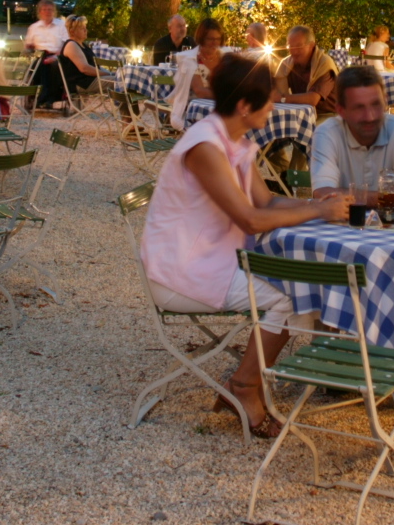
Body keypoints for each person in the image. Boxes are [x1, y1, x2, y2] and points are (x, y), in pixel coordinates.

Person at [140, 54, 350, 436]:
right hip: (181, 270)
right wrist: (318, 212)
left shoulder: (233, 140)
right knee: (291, 291)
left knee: (298, 285)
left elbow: (267, 201)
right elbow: (250, 219)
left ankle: (247, 380)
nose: (274, 106)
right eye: (269, 99)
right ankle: (245, 386)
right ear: (243, 105)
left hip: (215, 260)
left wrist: (322, 205)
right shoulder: (205, 145)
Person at [310, 66, 394, 211]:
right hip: (343, 228)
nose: (369, 117)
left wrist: (348, 197)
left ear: (385, 102)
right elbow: (323, 194)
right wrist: (393, 198)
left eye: (376, 105)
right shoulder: (327, 133)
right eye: (359, 107)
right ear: (341, 111)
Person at [275, 25, 340, 118]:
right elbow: (276, 88)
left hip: (327, 116)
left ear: (311, 46)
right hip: (300, 114)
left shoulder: (324, 64)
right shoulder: (287, 64)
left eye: (298, 46)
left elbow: (313, 99)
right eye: (290, 46)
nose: (294, 51)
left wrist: (281, 98)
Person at [172, 18, 225, 129]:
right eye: (210, 39)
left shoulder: (224, 57)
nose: (214, 43)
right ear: (202, 38)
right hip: (194, 111)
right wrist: (227, 97)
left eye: (218, 39)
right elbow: (200, 91)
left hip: (219, 105)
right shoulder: (191, 59)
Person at [45, 14, 103, 108]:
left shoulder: (83, 45)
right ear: (72, 31)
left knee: (122, 81)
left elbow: (95, 66)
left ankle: (128, 116)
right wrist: (108, 74)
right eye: (82, 28)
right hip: (83, 83)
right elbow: (84, 68)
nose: (85, 30)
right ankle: (127, 118)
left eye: (85, 27)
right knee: (122, 83)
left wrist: (111, 73)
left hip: (91, 80)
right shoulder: (71, 45)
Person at [24, 0, 70, 106]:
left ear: (54, 11)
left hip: (57, 55)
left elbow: (67, 44)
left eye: (50, 10)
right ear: (40, 12)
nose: (47, 12)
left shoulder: (61, 25)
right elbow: (28, 46)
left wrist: (55, 56)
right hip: (40, 55)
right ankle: (44, 97)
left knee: (52, 65)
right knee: (39, 64)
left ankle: (46, 97)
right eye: (44, 9)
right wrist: (29, 48)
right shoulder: (34, 27)